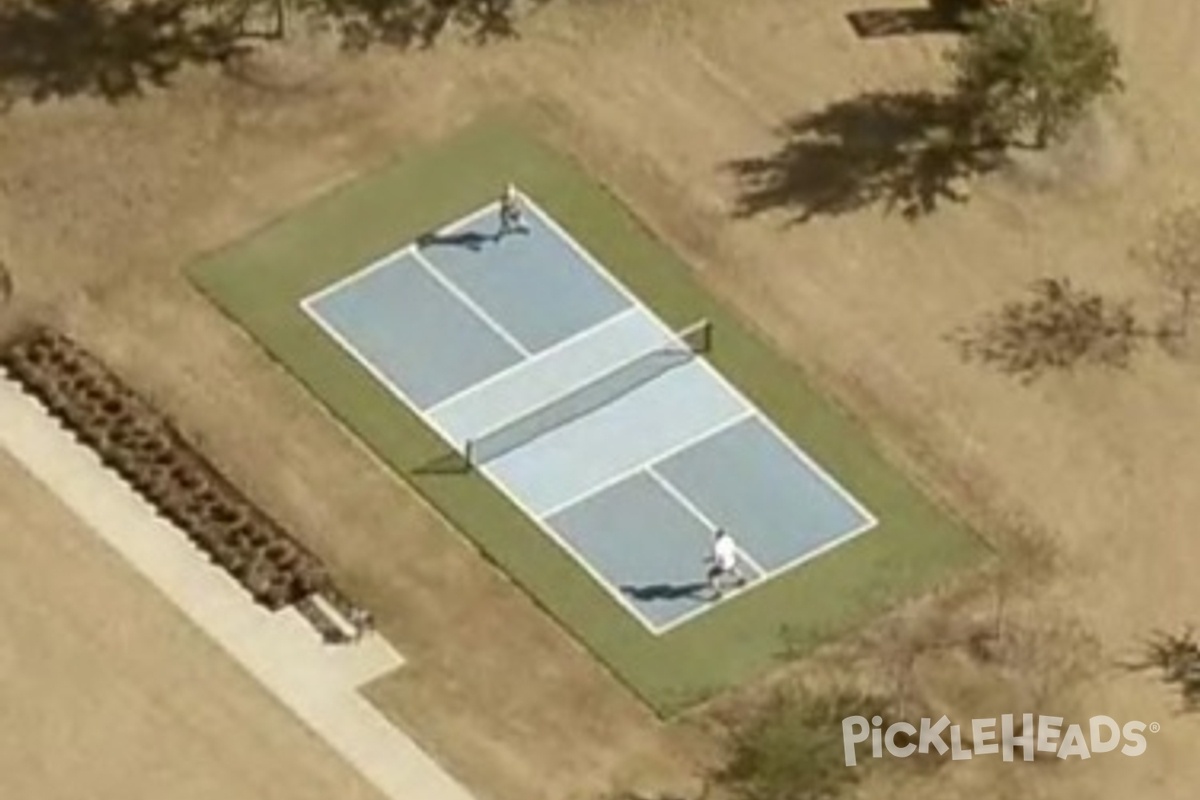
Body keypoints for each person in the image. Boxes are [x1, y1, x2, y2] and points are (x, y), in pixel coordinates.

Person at [705, 528, 747, 599]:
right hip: (731, 560)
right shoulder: (729, 539)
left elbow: (718, 558)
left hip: (724, 564)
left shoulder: (717, 546)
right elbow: (733, 549)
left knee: (712, 575)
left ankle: (718, 592)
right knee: (732, 568)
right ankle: (742, 579)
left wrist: (710, 560)